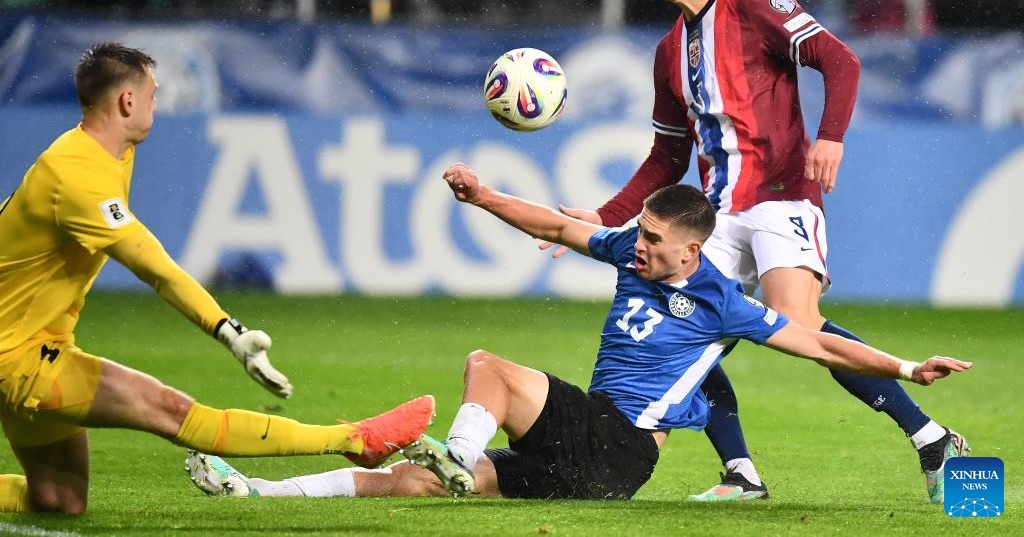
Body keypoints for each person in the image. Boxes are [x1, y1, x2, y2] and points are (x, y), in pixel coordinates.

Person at [183, 163, 971, 503]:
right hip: (596, 460)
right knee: (412, 484)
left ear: (692, 251)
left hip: (618, 441)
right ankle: (258, 490)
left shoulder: (723, 301)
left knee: (487, 366)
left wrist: (906, 366)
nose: (640, 244)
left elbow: (820, 341)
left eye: (655, 239)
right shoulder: (632, 249)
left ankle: (457, 453)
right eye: (642, 233)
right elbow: (559, 226)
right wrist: (485, 197)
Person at [540, 0, 968, 504]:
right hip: (716, 211)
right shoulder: (669, 52)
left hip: (781, 194)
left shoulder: (753, 0)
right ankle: (742, 474)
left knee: (797, 321)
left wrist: (831, 136)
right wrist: (606, 216)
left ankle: (931, 438)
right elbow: (667, 155)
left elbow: (839, 60)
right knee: (688, 329)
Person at [0, 43, 435, 514]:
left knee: (59, 500)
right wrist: (230, 331)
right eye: (152, 94)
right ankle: (355, 439)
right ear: (127, 101)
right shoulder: (77, 174)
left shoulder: (97, 153)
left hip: (34, 344)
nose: (155, 106)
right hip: (20, 359)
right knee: (171, 411)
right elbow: (156, 269)